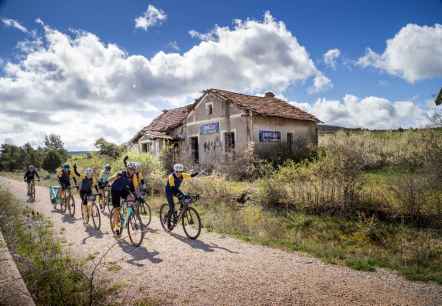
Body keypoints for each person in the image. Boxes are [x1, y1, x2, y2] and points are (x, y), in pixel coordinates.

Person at [165, 163, 198, 228]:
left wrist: (196, 173)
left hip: (176, 189)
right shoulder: (171, 176)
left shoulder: (182, 175)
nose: (178, 173)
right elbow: (172, 189)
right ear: (174, 171)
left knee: (184, 197)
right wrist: (179, 195)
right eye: (177, 171)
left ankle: (181, 211)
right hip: (169, 191)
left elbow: (190, 175)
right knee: (172, 207)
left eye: (180, 172)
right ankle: (168, 222)